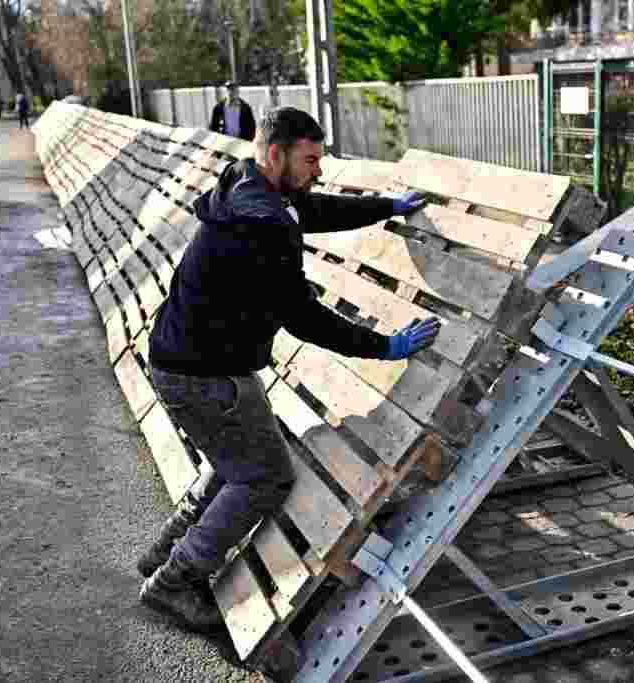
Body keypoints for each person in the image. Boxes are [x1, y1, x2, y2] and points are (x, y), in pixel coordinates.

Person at [137, 105, 435, 677]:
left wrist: (386, 208)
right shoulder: (263, 225)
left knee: (230, 466)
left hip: (186, 361)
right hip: (205, 376)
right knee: (264, 475)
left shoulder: (247, 188)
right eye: (310, 159)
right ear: (276, 154)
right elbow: (303, 316)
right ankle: (176, 580)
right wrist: (384, 348)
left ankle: (164, 555)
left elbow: (314, 208)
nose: (318, 170)